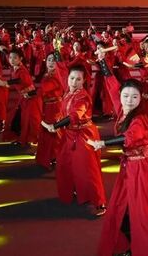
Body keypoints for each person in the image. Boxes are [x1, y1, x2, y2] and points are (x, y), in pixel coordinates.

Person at [88, 79, 148, 256]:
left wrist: (102, 143)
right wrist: (103, 66)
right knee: (121, 208)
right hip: (129, 167)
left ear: (141, 98)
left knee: (143, 215)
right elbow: (112, 87)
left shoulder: (140, 119)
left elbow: (130, 137)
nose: (129, 100)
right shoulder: (123, 110)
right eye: (125, 96)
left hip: (143, 169)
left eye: (134, 97)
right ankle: (129, 247)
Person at [41, 65, 107, 216]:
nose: (74, 82)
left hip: (84, 135)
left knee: (87, 169)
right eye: (72, 78)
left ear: (84, 81)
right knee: (64, 164)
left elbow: (75, 115)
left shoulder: (82, 97)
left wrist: (55, 126)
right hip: (69, 134)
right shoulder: (68, 93)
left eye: (78, 79)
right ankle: (75, 191)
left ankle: (98, 202)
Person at [35, 52, 66, 170]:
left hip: (55, 107)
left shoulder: (58, 75)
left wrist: (33, 93)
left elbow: (44, 89)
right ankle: (49, 157)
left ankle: (55, 157)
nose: (51, 62)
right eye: (49, 59)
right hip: (47, 106)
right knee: (47, 131)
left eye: (54, 60)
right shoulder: (47, 74)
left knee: (54, 132)